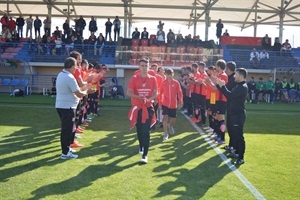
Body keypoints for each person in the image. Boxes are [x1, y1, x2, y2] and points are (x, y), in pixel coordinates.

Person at [55, 57, 90, 159]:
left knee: (68, 129)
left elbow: (74, 91)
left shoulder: (61, 74)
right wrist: (86, 91)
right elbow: (79, 94)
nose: (76, 68)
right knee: (67, 130)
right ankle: (65, 153)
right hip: (68, 107)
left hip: (62, 106)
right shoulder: (69, 77)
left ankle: (67, 149)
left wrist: (83, 90)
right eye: (75, 66)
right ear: (71, 66)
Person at [127, 58, 158, 164]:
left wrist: (148, 99)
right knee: (139, 129)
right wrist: (139, 97)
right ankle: (141, 145)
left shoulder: (153, 79)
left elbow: (155, 93)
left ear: (148, 66)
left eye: (146, 65)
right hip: (138, 107)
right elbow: (129, 92)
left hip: (148, 107)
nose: (144, 68)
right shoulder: (134, 78)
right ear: (139, 67)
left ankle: (145, 155)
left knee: (146, 131)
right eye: (142, 65)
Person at [215, 68, 248, 165]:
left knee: (239, 136)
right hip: (233, 114)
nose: (234, 76)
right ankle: (236, 153)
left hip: (238, 115)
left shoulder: (242, 87)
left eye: (236, 74)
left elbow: (229, 96)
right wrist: (220, 86)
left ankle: (241, 157)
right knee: (233, 134)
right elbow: (228, 95)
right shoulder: (239, 85)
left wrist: (222, 86)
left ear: (241, 76)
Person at [159, 68, 183, 141]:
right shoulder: (163, 83)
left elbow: (180, 93)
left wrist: (180, 102)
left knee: (173, 119)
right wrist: (160, 103)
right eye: (168, 74)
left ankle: (170, 125)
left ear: (173, 74)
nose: (169, 76)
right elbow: (160, 93)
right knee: (165, 118)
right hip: (165, 103)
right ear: (166, 74)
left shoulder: (176, 83)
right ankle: (166, 133)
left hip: (173, 104)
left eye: (171, 74)